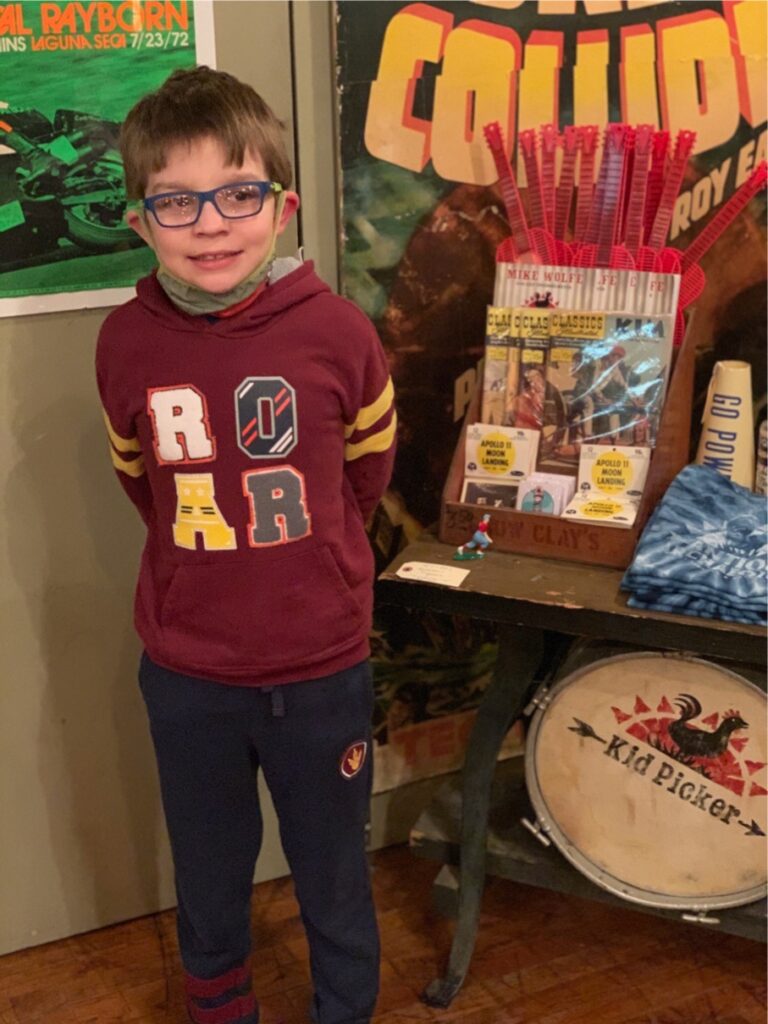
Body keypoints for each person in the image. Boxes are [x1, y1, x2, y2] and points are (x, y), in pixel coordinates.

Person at [95, 66, 396, 1024]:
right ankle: (221, 1007)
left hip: (321, 669)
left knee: (333, 870)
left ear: (282, 206)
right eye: (176, 201)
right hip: (190, 675)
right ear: (140, 222)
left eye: (238, 193)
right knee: (209, 869)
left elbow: (364, 478)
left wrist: (311, 568)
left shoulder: (339, 333)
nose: (210, 224)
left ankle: (345, 1008)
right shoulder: (124, 343)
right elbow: (143, 482)